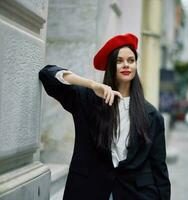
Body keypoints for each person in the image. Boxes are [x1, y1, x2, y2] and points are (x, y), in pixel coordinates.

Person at [39, 33, 171, 200]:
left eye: (131, 60)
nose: (126, 65)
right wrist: (92, 84)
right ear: (110, 65)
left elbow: (160, 170)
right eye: (119, 60)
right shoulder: (88, 100)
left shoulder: (152, 116)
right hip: (89, 190)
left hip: (135, 194)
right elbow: (47, 74)